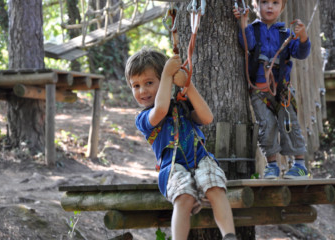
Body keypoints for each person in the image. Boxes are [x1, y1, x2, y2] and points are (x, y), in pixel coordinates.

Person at [125, 47, 236, 240]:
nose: (142, 91)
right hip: (173, 168)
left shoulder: (181, 105)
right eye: (136, 86)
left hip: (201, 160)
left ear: (164, 82)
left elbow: (207, 117)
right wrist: (168, 72)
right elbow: (160, 110)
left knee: (215, 187)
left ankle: (229, 236)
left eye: (149, 83)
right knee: (184, 196)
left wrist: (187, 85)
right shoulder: (144, 118)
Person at [233, 0, 311, 179]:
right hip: (259, 92)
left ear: (282, 7)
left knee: (289, 123)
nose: (269, 7)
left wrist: (303, 37)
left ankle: (299, 164)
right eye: (264, 2)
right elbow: (248, 45)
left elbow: (301, 53)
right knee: (266, 127)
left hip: (282, 90)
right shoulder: (253, 30)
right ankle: (272, 165)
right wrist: (243, 22)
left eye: (275, 3)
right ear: (255, 5)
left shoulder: (286, 34)